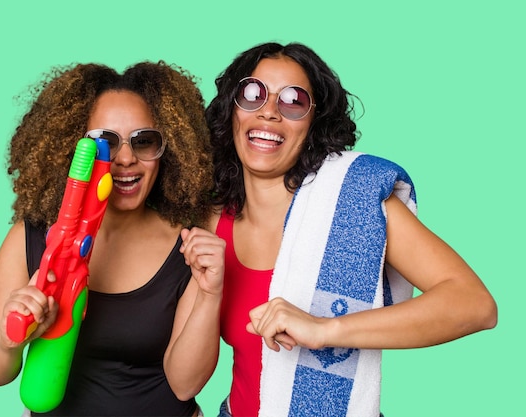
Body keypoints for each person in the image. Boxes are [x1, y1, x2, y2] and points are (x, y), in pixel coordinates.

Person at [205, 42, 498, 417]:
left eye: (293, 100)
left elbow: (475, 305)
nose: (269, 112)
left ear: (314, 123)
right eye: (252, 93)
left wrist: (325, 330)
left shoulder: (355, 204)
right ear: (232, 109)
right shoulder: (211, 221)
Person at [0, 61, 225, 416]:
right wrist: (8, 342)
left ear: (167, 150)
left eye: (144, 141)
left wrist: (210, 293)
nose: (125, 159)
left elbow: (185, 384)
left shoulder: (190, 247)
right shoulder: (31, 237)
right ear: (69, 147)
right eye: (104, 141)